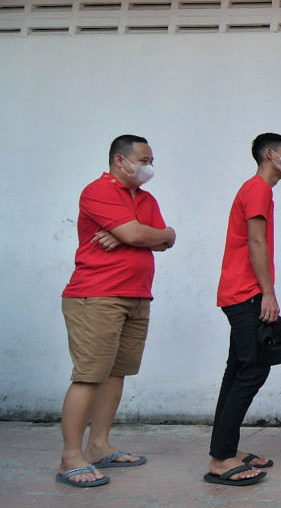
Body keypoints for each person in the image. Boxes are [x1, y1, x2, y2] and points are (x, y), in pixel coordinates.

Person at [57, 135, 176, 488]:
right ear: (120, 160)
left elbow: (165, 240)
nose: (149, 166)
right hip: (97, 295)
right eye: (143, 159)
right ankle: (70, 457)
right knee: (90, 374)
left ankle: (98, 445)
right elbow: (139, 235)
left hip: (137, 295)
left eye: (152, 159)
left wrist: (152, 233)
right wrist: (137, 234)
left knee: (115, 373)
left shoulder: (146, 198)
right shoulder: (99, 191)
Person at [206, 133, 281, 486]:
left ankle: (226, 447)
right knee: (252, 370)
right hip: (246, 293)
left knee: (237, 371)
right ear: (270, 155)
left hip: (239, 291)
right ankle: (220, 460)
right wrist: (267, 293)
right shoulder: (258, 188)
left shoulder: (256, 189)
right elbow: (256, 241)